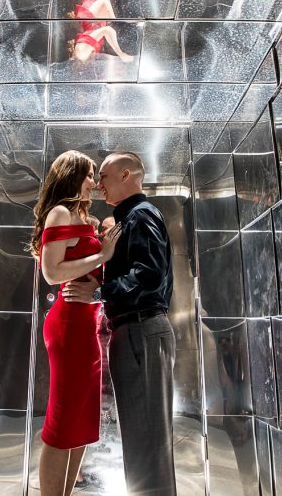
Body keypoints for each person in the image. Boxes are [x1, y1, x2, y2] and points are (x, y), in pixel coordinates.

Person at [63, 151, 176, 496]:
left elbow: (149, 275)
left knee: (147, 441)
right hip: (137, 332)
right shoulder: (133, 217)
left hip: (141, 331)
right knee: (146, 438)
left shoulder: (140, 216)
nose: (99, 185)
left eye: (105, 177)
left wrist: (99, 294)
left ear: (127, 175)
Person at [30, 150, 122, 496]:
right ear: (72, 175)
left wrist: (101, 271)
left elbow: (91, 274)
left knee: (80, 422)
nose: (94, 182)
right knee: (62, 423)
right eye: (89, 174)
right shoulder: (59, 213)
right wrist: (102, 254)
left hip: (87, 324)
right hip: (68, 324)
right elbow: (52, 273)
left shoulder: (84, 218)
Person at [68, 0, 134, 63]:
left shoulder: (82, 52)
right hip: (91, 15)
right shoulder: (82, 51)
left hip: (90, 14)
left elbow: (107, 30)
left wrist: (121, 54)